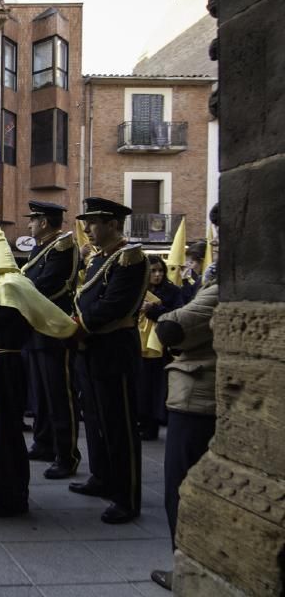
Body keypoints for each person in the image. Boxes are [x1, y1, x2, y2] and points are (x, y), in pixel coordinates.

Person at [0, 211, 79, 518]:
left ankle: (11, 492)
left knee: (1, 430)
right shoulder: (11, 286)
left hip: (1, 367)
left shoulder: (9, 289)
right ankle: (5, 484)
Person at [149, 204, 220, 592]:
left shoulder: (226, 282)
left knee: (183, 485)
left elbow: (175, 327)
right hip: (205, 389)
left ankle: (188, 568)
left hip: (198, 392)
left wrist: (162, 318)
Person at [69, 197, 149, 524]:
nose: (87, 228)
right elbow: (86, 299)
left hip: (114, 349)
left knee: (120, 427)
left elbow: (114, 306)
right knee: (97, 421)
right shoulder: (102, 258)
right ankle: (101, 477)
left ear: (114, 223)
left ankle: (126, 498)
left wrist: (76, 327)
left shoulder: (129, 258)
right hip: (92, 349)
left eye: (94, 222)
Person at [20, 201, 82, 480]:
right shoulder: (41, 248)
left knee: (59, 396)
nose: (29, 224)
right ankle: (44, 443)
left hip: (54, 329)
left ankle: (66, 455)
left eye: (33, 220)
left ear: (44, 222)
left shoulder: (63, 247)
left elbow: (46, 284)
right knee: (41, 394)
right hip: (37, 328)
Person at [137, 255, 183, 440]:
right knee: (140, 386)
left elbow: (177, 315)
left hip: (159, 348)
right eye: (153, 271)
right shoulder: (138, 290)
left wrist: (154, 309)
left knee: (155, 387)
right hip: (138, 345)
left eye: (160, 271)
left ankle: (152, 424)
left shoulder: (172, 291)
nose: (157, 275)